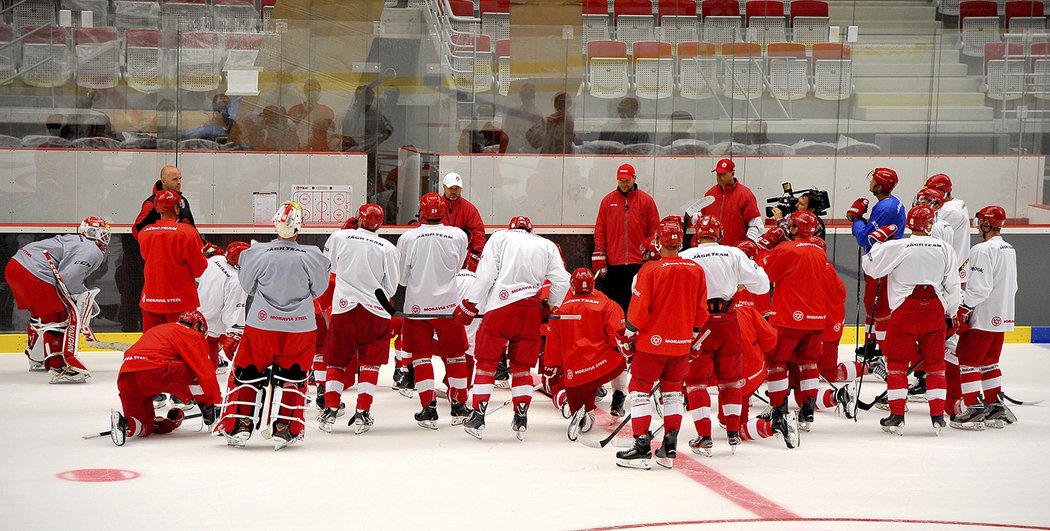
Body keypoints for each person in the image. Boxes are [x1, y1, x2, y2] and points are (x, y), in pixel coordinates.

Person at [219, 201, 331, 450]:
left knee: (248, 373)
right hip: (300, 326)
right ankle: (286, 428)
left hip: (261, 324)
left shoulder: (255, 253)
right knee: (294, 377)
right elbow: (319, 290)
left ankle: (239, 426)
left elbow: (248, 286)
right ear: (300, 226)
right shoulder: (314, 256)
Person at [455, 215, 570, 440]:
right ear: (530, 229)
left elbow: (486, 275)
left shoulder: (500, 237)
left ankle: (478, 415)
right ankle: (521, 416)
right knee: (522, 369)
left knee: (486, 365)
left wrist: (471, 303)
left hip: (500, 307)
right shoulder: (545, 244)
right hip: (530, 310)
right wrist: (551, 305)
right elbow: (562, 280)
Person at [614, 219, 709, 470]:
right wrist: (693, 334)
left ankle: (641, 445)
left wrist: (629, 333)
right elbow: (701, 310)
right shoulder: (695, 269)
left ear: (658, 242)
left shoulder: (650, 270)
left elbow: (639, 312)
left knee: (639, 389)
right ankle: (669, 447)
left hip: (652, 344)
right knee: (673, 393)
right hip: (680, 345)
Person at [862, 204, 960, 435]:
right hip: (934, 310)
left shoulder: (898, 246)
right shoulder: (945, 248)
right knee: (936, 365)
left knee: (896, 364)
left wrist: (876, 243)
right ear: (929, 225)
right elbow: (953, 287)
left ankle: (897, 415)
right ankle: (937, 415)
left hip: (904, 313)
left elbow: (871, 268)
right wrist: (949, 313)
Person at [678, 215, 770, 455]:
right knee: (731, 380)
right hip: (729, 322)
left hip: (699, 323)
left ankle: (704, 436)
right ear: (719, 234)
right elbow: (762, 285)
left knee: (696, 382)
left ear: (698, 235)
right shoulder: (733, 253)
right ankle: (732, 431)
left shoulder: (685, 256)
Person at [318, 203, 400, 434]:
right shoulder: (388, 248)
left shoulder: (340, 237)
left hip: (345, 310)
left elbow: (328, 267)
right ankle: (363, 411)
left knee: (335, 361)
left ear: (359, 219)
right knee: (370, 363)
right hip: (375, 312)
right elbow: (391, 288)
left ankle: (330, 408)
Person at [397, 193, 471, 428]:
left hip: (417, 307)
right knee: (456, 355)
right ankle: (459, 405)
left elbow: (401, 276)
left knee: (421, 357)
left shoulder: (408, 237)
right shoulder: (458, 235)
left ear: (421, 212)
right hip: (449, 306)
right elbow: (459, 265)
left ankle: (428, 408)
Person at [5, 216, 110, 381]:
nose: (104, 239)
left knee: (40, 315)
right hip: (34, 272)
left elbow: (66, 276)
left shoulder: (74, 239)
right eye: (103, 234)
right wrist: (82, 297)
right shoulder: (92, 249)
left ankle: (36, 356)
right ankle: (59, 365)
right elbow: (69, 278)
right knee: (60, 317)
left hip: (15, 265)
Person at [755, 211, 826, 442]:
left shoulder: (786, 250)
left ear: (796, 228)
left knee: (776, 362)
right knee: (808, 362)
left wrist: (765, 247)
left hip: (789, 318)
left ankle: (778, 408)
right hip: (816, 317)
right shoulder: (819, 250)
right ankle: (808, 408)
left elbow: (766, 273)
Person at [108, 311, 221, 446]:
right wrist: (212, 403)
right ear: (196, 326)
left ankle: (125, 424)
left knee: (144, 427)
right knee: (194, 369)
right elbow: (205, 373)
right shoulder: (192, 334)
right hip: (155, 370)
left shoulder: (160, 330)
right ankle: (209, 410)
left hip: (127, 377)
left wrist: (170, 422)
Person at [950, 205, 1018, 431]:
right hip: (1002, 317)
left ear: (987, 224)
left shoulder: (982, 250)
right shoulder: (1009, 249)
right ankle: (994, 405)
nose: (978, 226)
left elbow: (979, 289)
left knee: (968, 361)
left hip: (983, 317)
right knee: (990, 362)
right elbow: (1013, 286)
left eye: (981, 222)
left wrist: (963, 309)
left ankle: (972, 409)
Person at [544, 267, 628, 440]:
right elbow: (617, 339)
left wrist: (551, 366)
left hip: (576, 375)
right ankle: (619, 394)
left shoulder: (562, 310)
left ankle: (576, 408)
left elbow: (554, 344)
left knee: (566, 391)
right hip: (604, 367)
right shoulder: (607, 303)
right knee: (621, 359)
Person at [846, 167, 907, 357]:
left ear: (880, 186)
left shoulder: (884, 208)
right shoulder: (893, 203)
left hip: (881, 264)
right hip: (883, 262)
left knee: (878, 308)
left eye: (873, 181)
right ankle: (871, 343)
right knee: (871, 305)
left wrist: (856, 219)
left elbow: (864, 239)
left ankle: (886, 351)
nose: (870, 183)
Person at [591, 163, 661, 314]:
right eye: (621, 180)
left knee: (638, 303)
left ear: (634, 178)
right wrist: (599, 253)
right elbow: (601, 229)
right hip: (614, 262)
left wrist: (650, 251)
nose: (624, 183)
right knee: (615, 305)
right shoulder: (607, 201)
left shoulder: (646, 201)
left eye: (627, 180)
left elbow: (654, 230)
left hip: (639, 263)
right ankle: (618, 334)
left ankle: (635, 334)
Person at [138, 190, 208, 332]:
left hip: (151, 299)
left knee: (154, 343)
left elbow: (147, 257)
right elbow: (199, 269)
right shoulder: (188, 232)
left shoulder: (145, 232)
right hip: (180, 301)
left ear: (157, 208)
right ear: (177, 208)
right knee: (181, 344)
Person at [196, 241, 249, 369]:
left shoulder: (216, 260)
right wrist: (236, 333)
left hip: (197, 314)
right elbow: (231, 315)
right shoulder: (236, 280)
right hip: (212, 327)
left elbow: (198, 277)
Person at [699, 159, 763, 247]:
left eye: (723, 174)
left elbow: (755, 224)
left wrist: (747, 245)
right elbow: (702, 222)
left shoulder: (745, 195)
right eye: (718, 173)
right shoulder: (710, 194)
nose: (719, 177)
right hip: (713, 251)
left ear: (732, 173)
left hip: (736, 251)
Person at [133, 166, 197, 239]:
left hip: (182, 246)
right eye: (175, 179)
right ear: (163, 181)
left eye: (180, 178)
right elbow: (137, 230)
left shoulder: (183, 200)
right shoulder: (151, 203)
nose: (179, 182)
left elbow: (191, 227)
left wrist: (204, 245)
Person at [440, 171, 487, 258]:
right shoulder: (435, 205)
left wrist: (475, 254)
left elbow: (478, 232)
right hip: (438, 253)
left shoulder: (469, 209)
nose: (454, 191)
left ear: (461, 189)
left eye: (457, 188)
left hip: (462, 255)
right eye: (451, 188)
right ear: (444, 187)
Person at [288, 78, 335, 150]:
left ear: (319, 92)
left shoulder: (327, 112)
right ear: (305, 92)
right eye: (309, 90)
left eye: (314, 90)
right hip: (299, 148)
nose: (312, 93)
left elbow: (330, 134)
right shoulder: (295, 110)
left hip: (320, 149)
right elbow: (291, 132)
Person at [502, 81, 539, 154]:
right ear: (521, 96)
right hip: (512, 150)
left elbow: (537, 138)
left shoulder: (537, 114)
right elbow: (506, 131)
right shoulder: (513, 112)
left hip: (528, 153)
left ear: (532, 96)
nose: (525, 98)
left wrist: (523, 151)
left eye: (528, 95)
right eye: (523, 95)